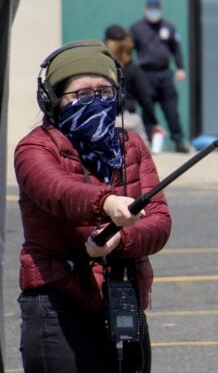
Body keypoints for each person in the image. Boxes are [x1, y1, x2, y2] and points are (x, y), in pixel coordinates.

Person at [14, 40, 172, 373]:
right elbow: (58, 190)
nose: (96, 101)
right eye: (82, 94)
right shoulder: (34, 148)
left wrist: (120, 240)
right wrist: (108, 203)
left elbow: (158, 221)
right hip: (57, 300)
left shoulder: (132, 145)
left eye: (105, 91)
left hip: (122, 293)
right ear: (54, 99)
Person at [130, 0, 190, 153]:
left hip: (164, 74)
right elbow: (129, 50)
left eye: (156, 9)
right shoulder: (137, 28)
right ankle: (148, 143)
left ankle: (178, 141)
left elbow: (176, 49)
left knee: (171, 109)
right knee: (147, 109)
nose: (153, 12)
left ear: (161, 10)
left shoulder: (168, 27)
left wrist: (180, 68)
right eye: (150, 9)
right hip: (145, 74)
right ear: (145, 10)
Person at [103, 24, 166, 147]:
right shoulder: (134, 70)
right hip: (129, 122)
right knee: (142, 159)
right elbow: (145, 100)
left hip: (104, 121)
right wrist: (155, 123)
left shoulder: (103, 69)